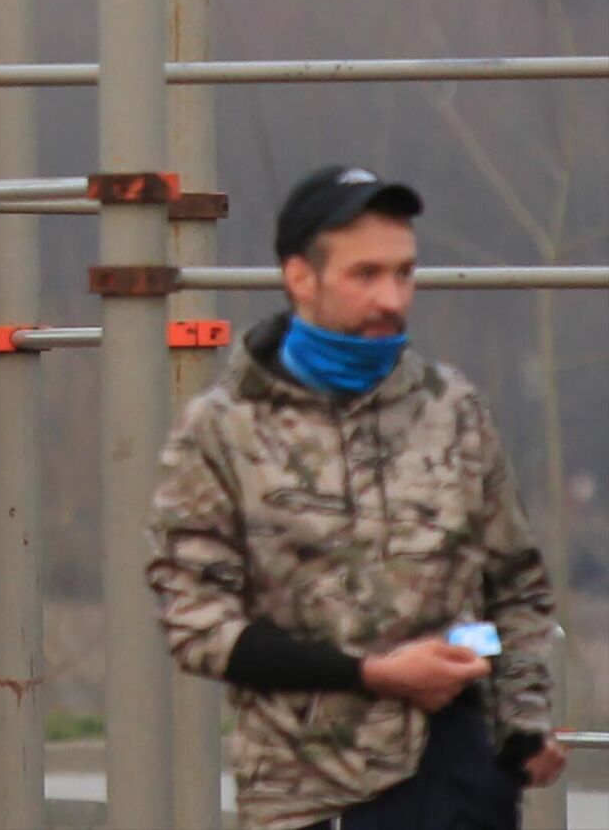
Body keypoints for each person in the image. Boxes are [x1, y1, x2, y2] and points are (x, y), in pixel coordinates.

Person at [146, 165, 567, 830]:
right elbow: (195, 624)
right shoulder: (222, 430)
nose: (391, 298)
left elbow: (514, 585)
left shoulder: (451, 408)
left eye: (404, 273)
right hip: (309, 791)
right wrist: (372, 672)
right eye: (365, 274)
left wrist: (522, 724)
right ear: (300, 277)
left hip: (457, 781)